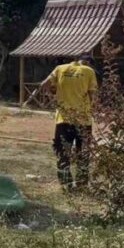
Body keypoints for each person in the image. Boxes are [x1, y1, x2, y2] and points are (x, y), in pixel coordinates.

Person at [40, 52, 98, 191]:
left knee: (62, 153)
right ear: (88, 63)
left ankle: (66, 184)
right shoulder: (89, 71)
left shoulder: (60, 68)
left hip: (63, 119)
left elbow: (44, 84)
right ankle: (82, 185)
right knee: (83, 153)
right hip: (83, 120)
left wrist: (54, 92)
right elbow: (93, 95)